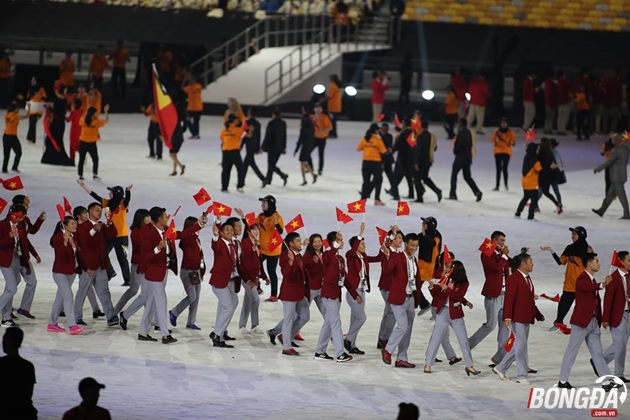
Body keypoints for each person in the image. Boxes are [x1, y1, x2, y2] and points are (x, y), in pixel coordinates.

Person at [558, 253, 618, 390]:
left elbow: (596, 302)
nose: (599, 263)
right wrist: (602, 284)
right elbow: (587, 288)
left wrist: (602, 319)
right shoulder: (582, 278)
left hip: (593, 323)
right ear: (589, 264)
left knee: (597, 353)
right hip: (580, 323)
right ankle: (563, 380)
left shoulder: (592, 279)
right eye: (596, 261)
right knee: (572, 351)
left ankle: (606, 381)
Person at [137, 207, 191, 344]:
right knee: (161, 302)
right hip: (154, 274)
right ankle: (165, 335)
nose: (167, 217)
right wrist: (157, 248)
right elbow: (145, 256)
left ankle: (143, 332)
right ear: (160, 219)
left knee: (151, 303)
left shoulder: (166, 231)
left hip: (163, 271)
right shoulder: (150, 234)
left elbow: (182, 234)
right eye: (164, 216)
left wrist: (199, 225)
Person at [492, 253, 544, 385]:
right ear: (523, 264)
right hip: (517, 317)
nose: (532, 263)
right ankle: (521, 375)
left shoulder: (527, 278)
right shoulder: (513, 278)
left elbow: (528, 298)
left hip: (526, 316)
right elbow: (509, 299)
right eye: (530, 261)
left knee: (519, 345)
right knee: (520, 345)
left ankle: (501, 368)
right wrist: (507, 316)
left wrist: (537, 314)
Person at [424, 260, 478, 376]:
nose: (447, 269)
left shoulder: (464, 283)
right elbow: (437, 294)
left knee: (463, 340)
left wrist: (463, 301)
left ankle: (469, 365)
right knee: (436, 338)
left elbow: (458, 296)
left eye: (450, 268)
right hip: (443, 312)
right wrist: (432, 287)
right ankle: (428, 363)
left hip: (456, 314)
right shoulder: (447, 278)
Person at [78, 182, 132, 286]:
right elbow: (95, 196)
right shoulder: (107, 203)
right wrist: (85, 187)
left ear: (116, 193)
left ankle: (128, 280)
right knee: (102, 252)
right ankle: (110, 272)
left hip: (122, 236)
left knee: (122, 258)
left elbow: (127, 199)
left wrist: (128, 191)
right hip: (110, 234)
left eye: (111, 192)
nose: (109, 193)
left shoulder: (122, 204)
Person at [468, 231, 511, 365]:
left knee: (505, 326)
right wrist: (504, 255)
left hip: (505, 295)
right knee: (491, 325)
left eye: (504, 240)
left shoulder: (501, 255)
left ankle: (500, 358)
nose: (503, 243)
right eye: (501, 240)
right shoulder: (486, 254)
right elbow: (496, 268)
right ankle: (468, 344)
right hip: (493, 295)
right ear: (494, 241)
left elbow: (507, 272)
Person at [73, 202, 118, 326]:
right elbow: (82, 243)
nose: (99, 212)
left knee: (104, 291)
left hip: (100, 265)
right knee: (83, 291)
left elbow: (114, 233)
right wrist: (93, 230)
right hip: (88, 266)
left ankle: (111, 317)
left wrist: (109, 220)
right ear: (90, 211)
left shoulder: (101, 226)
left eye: (100, 210)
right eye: (97, 210)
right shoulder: (82, 226)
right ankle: (76, 317)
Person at [314, 230, 355, 362]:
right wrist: (336, 244)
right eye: (340, 240)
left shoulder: (340, 259)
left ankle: (320, 351)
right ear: (334, 242)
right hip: (328, 295)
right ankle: (340, 353)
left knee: (328, 323)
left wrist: (355, 295)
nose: (342, 242)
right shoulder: (327, 255)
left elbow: (346, 278)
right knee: (336, 322)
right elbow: (329, 256)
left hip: (336, 295)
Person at [540, 226, 591, 331]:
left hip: (582, 284)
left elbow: (592, 267)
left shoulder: (588, 250)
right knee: (563, 305)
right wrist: (552, 251)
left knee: (583, 307)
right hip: (570, 284)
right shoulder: (569, 248)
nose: (572, 236)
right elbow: (560, 262)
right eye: (572, 234)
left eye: (574, 234)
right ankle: (558, 323)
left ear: (581, 235)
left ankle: (585, 326)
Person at [267, 232, 310, 356]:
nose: (300, 242)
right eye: (298, 241)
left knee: (304, 316)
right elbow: (287, 275)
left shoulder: (297, 255)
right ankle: (286, 347)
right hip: (289, 292)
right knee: (289, 319)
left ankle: (277, 333)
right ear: (290, 243)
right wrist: (290, 264)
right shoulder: (285, 256)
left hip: (300, 292)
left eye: (300, 240)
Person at [381, 233, 419, 368]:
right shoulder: (396, 257)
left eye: (416, 245)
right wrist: (386, 257)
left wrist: (417, 299)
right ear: (406, 244)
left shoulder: (414, 260)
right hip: (398, 298)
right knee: (402, 325)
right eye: (412, 245)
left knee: (407, 329)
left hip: (411, 298)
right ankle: (388, 350)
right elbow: (387, 270)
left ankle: (401, 358)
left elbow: (416, 280)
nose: (414, 248)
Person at [344, 223, 381, 354]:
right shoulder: (350, 255)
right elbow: (353, 250)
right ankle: (348, 339)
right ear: (355, 245)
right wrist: (360, 234)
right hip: (353, 292)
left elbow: (378, 258)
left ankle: (352, 345)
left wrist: (384, 247)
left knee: (355, 318)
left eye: (364, 244)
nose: (364, 246)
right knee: (361, 318)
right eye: (361, 244)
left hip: (362, 290)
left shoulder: (363, 256)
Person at [168, 215, 208, 331]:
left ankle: (191, 322)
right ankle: (174, 312)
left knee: (196, 297)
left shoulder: (196, 240)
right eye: (195, 225)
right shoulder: (187, 239)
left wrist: (202, 271)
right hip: (188, 271)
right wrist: (198, 226)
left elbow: (200, 258)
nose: (198, 228)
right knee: (192, 297)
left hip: (196, 272)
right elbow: (188, 235)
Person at [47, 216, 83, 335]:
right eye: (72, 224)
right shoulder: (58, 238)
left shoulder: (73, 237)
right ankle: (72, 325)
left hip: (71, 272)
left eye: (75, 223)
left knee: (60, 298)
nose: (75, 225)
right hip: (60, 272)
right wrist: (64, 241)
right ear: (65, 226)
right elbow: (61, 255)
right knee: (68, 297)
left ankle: (52, 324)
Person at [209, 220, 240, 348]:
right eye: (226, 230)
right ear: (221, 233)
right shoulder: (220, 243)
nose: (229, 232)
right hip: (219, 281)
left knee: (232, 304)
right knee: (228, 306)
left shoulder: (233, 244)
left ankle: (220, 335)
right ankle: (216, 333)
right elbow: (215, 245)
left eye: (231, 230)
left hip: (231, 280)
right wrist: (215, 235)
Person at [114, 209, 149, 315]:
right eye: (147, 217)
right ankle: (115, 310)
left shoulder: (147, 229)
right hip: (137, 265)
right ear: (142, 218)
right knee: (133, 290)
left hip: (146, 264)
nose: (149, 219)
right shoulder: (136, 231)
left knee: (146, 292)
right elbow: (140, 246)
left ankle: (150, 316)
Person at [602, 250, 630, 382]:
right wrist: (605, 318)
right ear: (621, 262)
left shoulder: (629, 276)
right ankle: (608, 368)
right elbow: (608, 300)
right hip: (617, 315)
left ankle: (616, 372)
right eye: (629, 260)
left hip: (628, 315)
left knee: (622, 345)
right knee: (619, 343)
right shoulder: (613, 278)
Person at [237, 221, 268, 334]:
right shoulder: (245, 243)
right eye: (253, 229)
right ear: (248, 232)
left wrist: (264, 276)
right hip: (246, 278)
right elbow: (244, 261)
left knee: (248, 301)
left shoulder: (256, 244)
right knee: (255, 299)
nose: (256, 231)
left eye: (257, 229)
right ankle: (254, 325)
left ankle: (242, 326)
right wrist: (249, 279)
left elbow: (258, 262)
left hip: (254, 278)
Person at [0, 327, 37, 420]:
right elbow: (29, 394)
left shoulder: (1, 364)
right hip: (24, 412)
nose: (2, 344)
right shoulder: (28, 366)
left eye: (4, 340)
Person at [593, 132, 630, 220]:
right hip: (621, 174)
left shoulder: (616, 150)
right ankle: (601, 210)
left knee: (622, 196)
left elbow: (609, 162)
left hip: (617, 176)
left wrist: (598, 169)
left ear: (616, 141)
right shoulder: (626, 149)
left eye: (613, 139)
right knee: (610, 195)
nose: (612, 141)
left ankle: (627, 214)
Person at [377, 226, 403, 349]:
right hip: (387, 287)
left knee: (389, 312)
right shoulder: (386, 250)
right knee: (391, 312)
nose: (401, 241)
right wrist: (392, 234)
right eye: (399, 238)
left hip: (393, 288)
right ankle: (384, 338)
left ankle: (382, 338)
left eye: (401, 238)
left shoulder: (398, 253)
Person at [257, 195, 284, 301]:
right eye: (262, 202)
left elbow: (280, 231)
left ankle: (274, 295)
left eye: (265, 202)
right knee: (254, 267)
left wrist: (276, 222)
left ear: (271, 204)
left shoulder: (277, 216)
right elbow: (253, 227)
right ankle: (258, 288)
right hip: (262, 248)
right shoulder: (260, 216)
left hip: (273, 249)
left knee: (271, 271)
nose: (262, 204)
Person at [41, 80, 74, 167]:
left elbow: (58, 112)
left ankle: (55, 158)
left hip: (57, 122)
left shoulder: (61, 100)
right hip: (58, 122)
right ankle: (52, 157)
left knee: (54, 139)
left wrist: (49, 109)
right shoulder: (61, 100)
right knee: (54, 139)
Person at [449, 118, 482, 202]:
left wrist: (455, 151)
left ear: (461, 125)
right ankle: (477, 191)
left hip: (460, 159)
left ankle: (453, 194)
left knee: (454, 175)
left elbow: (458, 147)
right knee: (467, 177)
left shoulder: (460, 134)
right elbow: (471, 144)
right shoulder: (469, 133)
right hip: (467, 159)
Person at [357, 123, 387, 205]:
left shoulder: (365, 139)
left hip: (366, 163)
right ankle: (377, 199)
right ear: (376, 130)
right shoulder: (378, 140)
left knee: (365, 182)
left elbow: (358, 148)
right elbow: (384, 151)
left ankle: (362, 199)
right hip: (376, 163)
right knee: (378, 180)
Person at [77, 105, 109, 181]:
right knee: (95, 159)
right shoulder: (96, 122)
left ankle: (80, 175)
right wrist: (106, 111)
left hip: (82, 143)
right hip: (91, 144)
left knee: (81, 159)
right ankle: (95, 174)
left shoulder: (83, 120)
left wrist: (86, 112)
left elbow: (82, 117)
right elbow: (107, 120)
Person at [415, 120, 442, 202]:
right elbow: (435, 148)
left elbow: (418, 150)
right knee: (425, 178)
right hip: (429, 160)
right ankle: (437, 191)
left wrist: (416, 162)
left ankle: (420, 197)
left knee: (417, 178)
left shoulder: (420, 136)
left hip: (421, 161)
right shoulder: (432, 136)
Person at [514, 142, 542, 220]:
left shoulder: (527, 156)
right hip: (532, 182)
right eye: (537, 149)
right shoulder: (535, 160)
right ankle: (530, 216)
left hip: (525, 181)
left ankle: (518, 213)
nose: (538, 150)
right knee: (534, 200)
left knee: (526, 197)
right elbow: (539, 169)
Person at [262, 108, 288, 187]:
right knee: (272, 164)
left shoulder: (271, 123)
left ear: (273, 114)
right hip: (279, 147)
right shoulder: (283, 123)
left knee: (271, 164)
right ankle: (268, 180)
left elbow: (268, 136)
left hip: (272, 147)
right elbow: (284, 136)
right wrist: (283, 147)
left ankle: (282, 175)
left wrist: (263, 146)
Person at [220, 114, 246, 193]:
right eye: (235, 120)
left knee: (226, 170)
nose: (237, 121)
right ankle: (240, 186)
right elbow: (244, 132)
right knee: (241, 169)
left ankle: (224, 188)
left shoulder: (224, 129)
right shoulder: (237, 130)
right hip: (234, 152)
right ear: (233, 120)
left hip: (225, 152)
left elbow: (221, 138)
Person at [536, 137, 562, 214]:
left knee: (541, 191)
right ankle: (557, 204)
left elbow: (538, 162)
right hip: (549, 175)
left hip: (542, 175)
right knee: (545, 192)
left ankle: (535, 206)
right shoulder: (549, 153)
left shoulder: (541, 153)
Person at [241, 107, 265, 186]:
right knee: (246, 164)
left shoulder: (246, 122)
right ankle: (242, 181)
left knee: (252, 164)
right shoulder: (258, 124)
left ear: (249, 113)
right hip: (254, 145)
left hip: (249, 145)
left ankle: (264, 179)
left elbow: (244, 135)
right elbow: (259, 136)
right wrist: (258, 148)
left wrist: (240, 146)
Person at [492, 117, 516, 191]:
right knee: (498, 169)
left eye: (505, 123)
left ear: (507, 124)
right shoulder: (497, 132)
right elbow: (493, 141)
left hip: (506, 152)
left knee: (505, 168)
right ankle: (497, 186)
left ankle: (506, 185)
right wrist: (496, 141)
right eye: (502, 123)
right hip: (498, 151)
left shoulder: (510, 132)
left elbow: (514, 141)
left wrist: (512, 143)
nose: (503, 124)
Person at [304, 233, 325, 318]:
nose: (317, 244)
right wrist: (314, 262)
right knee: (302, 313)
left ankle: (331, 330)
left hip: (321, 288)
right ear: (311, 244)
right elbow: (307, 268)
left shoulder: (323, 254)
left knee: (326, 312)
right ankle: (292, 330)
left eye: (319, 241)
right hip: (310, 289)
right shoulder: (308, 255)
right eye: (314, 242)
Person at [3, 101, 28, 173]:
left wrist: (14, 104)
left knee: (6, 155)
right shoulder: (16, 116)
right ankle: (14, 167)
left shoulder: (7, 115)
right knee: (19, 152)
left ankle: (4, 169)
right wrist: (29, 108)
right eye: (17, 108)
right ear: (14, 109)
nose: (19, 110)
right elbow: (26, 116)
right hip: (12, 137)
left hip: (6, 136)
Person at [294, 113, 317, 186]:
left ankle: (304, 180)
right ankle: (313, 175)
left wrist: (296, 150)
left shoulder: (303, 129)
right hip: (310, 146)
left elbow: (300, 140)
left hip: (305, 147)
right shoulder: (312, 126)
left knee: (302, 163)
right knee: (304, 163)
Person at [312, 104, 333, 176]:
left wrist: (323, 131)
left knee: (321, 155)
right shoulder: (312, 117)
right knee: (307, 153)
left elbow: (330, 127)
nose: (318, 109)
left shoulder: (324, 117)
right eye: (316, 108)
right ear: (314, 109)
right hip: (314, 138)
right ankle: (310, 167)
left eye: (319, 108)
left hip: (322, 139)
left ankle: (320, 170)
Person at [26, 77, 47, 144]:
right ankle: (32, 139)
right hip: (32, 108)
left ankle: (30, 138)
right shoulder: (30, 89)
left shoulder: (41, 89)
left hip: (38, 108)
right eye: (32, 80)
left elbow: (45, 98)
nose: (32, 82)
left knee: (32, 122)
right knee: (31, 123)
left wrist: (39, 95)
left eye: (34, 80)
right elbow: (28, 98)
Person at [183, 74, 203, 139]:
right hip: (199, 107)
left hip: (191, 107)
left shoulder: (190, 87)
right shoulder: (199, 86)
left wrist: (185, 79)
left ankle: (194, 133)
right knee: (196, 122)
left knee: (187, 120)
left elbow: (182, 88)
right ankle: (196, 134)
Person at [66, 98, 83, 163]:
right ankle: (82, 156)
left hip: (74, 131)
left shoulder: (74, 112)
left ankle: (72, 159)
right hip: (81, 130)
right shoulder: (82, 112)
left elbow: (68, 120)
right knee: (79, 144)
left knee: (72, 145)